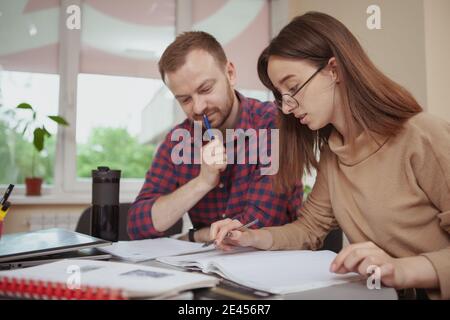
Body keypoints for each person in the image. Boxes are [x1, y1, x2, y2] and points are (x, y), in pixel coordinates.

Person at [210, 12, 450, 299]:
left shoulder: (423, 135)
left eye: (293, 87)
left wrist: (402, 270)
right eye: (280, 95)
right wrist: (251, 237)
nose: (286, 107)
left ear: (334, 70)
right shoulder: (334, 152)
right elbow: (310, 228)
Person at [127, 31, 303, 242]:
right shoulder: (179, 139)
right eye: (185, 100)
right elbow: (138, 225)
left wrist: (194, 236)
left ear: (230, 74)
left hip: (274, 264)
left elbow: (258, 223)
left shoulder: (273, 123)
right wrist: (202, 182)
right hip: (209, 267)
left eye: (206, 89)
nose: (199, 107)